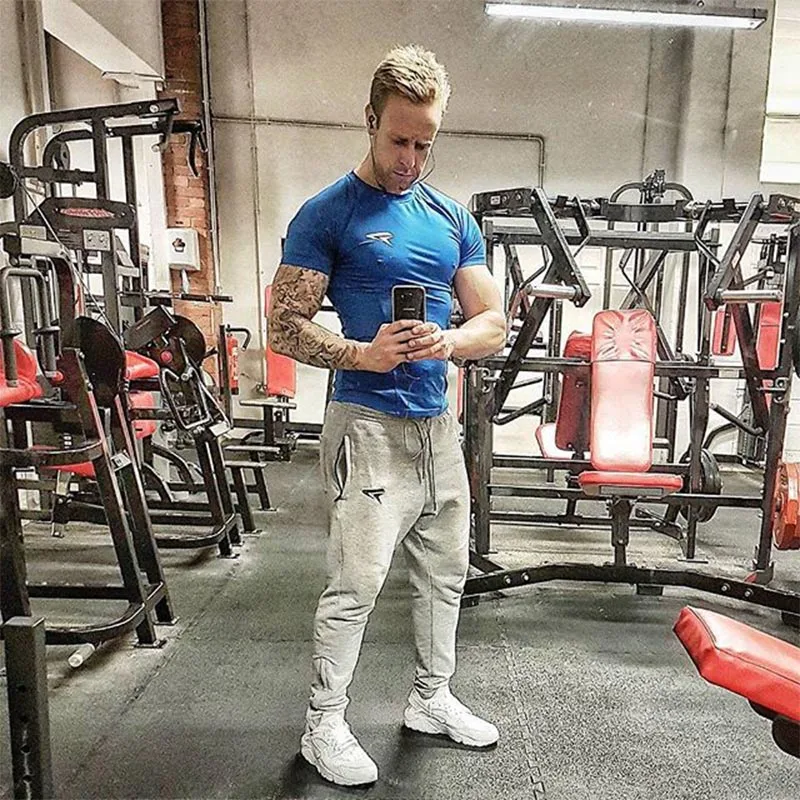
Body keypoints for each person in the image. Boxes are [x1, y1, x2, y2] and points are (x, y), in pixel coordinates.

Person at [268, 44, 506, 787]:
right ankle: (323, 724)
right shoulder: (327, 213)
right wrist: (362, 354)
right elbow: (282, 325)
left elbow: (493, 322)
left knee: (445, 574)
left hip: (438, 429)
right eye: (399, 140)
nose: (410, 160)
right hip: (366, 424)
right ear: (370, 121)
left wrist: (450, 341)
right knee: (356, 585)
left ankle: (431, 699)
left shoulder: (451, 217)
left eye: (424, 145)